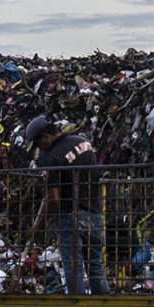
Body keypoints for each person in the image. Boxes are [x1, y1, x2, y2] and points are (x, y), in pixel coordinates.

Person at [30, 116, 107, 295]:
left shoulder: (52, 158)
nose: (39, 149)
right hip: (95, 214)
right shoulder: (83, 143)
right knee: (96, 266)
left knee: (74, 270)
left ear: (46, 137)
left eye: (38, 144)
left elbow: (53, 199)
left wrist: (38, 227)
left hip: (69, 217)